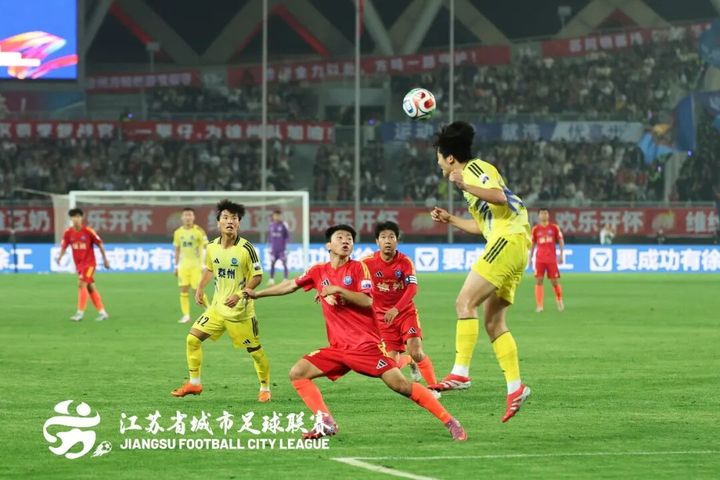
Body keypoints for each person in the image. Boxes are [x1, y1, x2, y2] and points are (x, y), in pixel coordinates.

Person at [244, 224, 466, 440]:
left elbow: (367, 300)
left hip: (366, 347)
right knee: (298, 373)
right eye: (340, 238)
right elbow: (291, 285)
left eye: (349, 239)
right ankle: (326, 422)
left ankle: (450, 421)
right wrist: (258, 294)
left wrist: (338, 290)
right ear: (328, 245)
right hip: (338, 349)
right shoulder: (318, 271)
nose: (345, 241)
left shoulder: (359, 268)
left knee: (401, 386)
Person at [428, 121, 532, 423]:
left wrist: (464, 185)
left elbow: (499, 196)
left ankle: (460, 372)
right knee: (493, 322)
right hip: (513, 244)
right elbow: (483, 225)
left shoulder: (474, 169)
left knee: (464, 302)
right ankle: (515, 387)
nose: (438, 163)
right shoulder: (470, 182)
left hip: (508, 239)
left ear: (450, 158)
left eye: (439, 157)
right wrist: (451, 220)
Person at [171, 200, 271, 403]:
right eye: (225, 217)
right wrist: (200, 287)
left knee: (255, 352)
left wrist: (241, 294)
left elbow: (258, 276)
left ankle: (265, 388)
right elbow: (210, 268)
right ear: (218, 223)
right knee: (192, 339)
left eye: (234, 218)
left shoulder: (246, 248)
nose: (230, 221)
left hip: (240, 312)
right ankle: (195, 383)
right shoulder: (212, 247)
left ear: (239, 223)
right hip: (217, 309)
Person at [361, 221, 437, 386]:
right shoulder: (366, 263)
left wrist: (396, 309)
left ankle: (434, 387)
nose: (387, 241)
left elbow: (412, 288)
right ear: (377, 241)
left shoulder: (405, 262)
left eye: (391, 237)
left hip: (405, 313)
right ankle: (409, 361)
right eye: (383, 237)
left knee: (416, 351)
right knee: (392, 365)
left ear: (397, 240)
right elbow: (348, 276)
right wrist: (327, 289)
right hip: (382, 319)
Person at [56, 208, 110, 322]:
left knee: (81, 284)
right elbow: (64, 245)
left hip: (90, 265)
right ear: (71, 219)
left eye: (78, 216)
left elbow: (100, 244)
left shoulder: (88, 231)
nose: (76, 219)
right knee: (90, 287)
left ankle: (79, 314)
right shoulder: (68, 233)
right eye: (74, 217)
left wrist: (105, 259)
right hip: (80, 266)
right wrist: (60, 256)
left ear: (82, 218)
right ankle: (103, 313)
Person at [172, 208, 209, 323]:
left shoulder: (199, 231)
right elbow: (177, 250)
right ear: (182, 217)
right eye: (185, 215)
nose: (188, 217)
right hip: (183, 266)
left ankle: (209, 311)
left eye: (190, 215)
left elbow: (205, 248)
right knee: (183, 289)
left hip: (196, 265)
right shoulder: (178, 232)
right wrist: (176, 266)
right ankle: (186, 316)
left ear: (193, 217)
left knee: (197, 290)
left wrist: (204, 265)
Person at [530, 208, 565, 313]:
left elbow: (561, 241)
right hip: (539, 259)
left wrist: (561, 254)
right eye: (542, 213)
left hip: (551, 259)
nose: (544, 215)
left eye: (545, 213)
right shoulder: (535, 229)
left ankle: (559, 299)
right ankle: (539, 305)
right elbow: (533, 244)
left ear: (548, 215)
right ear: (539, 216)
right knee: (539, 280)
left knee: (554, 281)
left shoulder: (554, 228)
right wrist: (530, 257)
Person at [267, 209, 290, 285]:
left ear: (280, 216)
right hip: (274, 249)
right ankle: (271, 279)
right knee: (272, 263)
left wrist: (286, 247)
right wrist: (269, 246)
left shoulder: (283, 225)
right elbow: (270, 237)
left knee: (284, 262)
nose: (277, 217)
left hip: (282, 249)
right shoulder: (271, 225)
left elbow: (287, 236)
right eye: (275, 215)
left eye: (278, 215)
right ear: (273, 216)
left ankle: (285, 279)